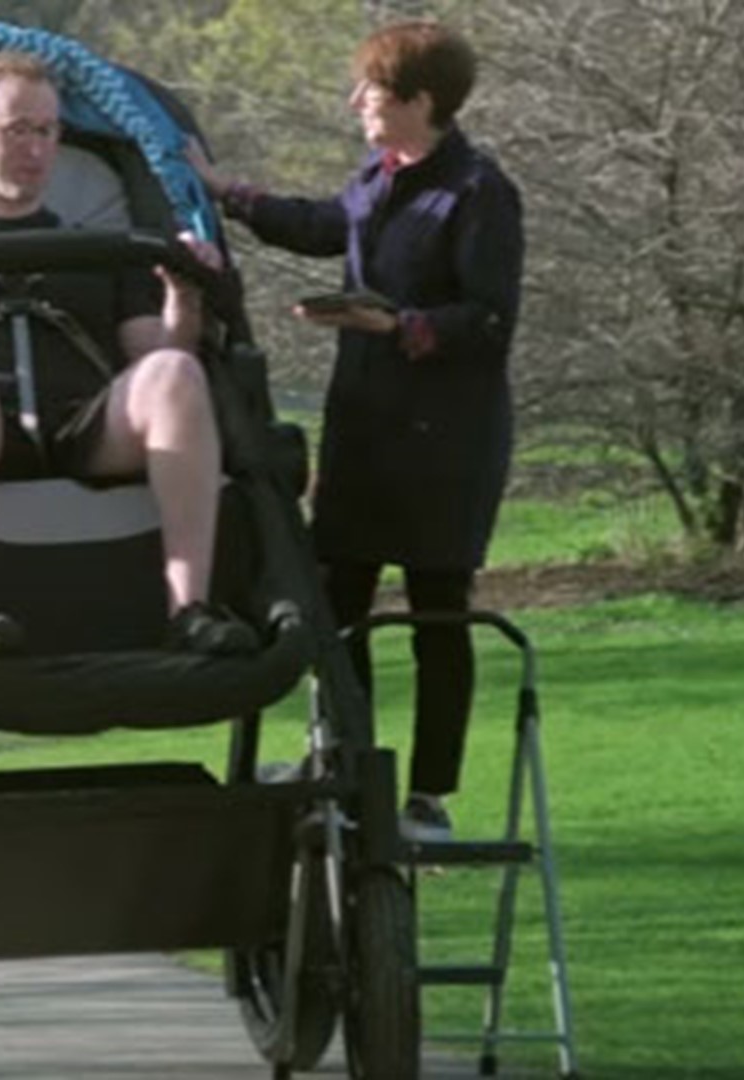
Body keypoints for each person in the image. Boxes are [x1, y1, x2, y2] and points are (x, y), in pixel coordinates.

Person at [189, 21, 524, 841]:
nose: (356, 104)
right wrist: (224, 193)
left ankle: (429, 800)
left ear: (420, 101)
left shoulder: (480, 192)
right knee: (337, 606)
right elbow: (316, 225)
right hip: (364, 433)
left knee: (438, 617)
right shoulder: (375, 181)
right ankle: (345, 769)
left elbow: (487, 320)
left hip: (446, 444)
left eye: (371, 92)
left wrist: (397, 326)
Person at [0, 50, 257, 662]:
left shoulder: (100, 250)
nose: (35, 149)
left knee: (177, 371)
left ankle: (191, 609)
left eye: (47, 131)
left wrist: (185, 301)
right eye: (17, 129)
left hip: (83, 425)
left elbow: (162, 361)